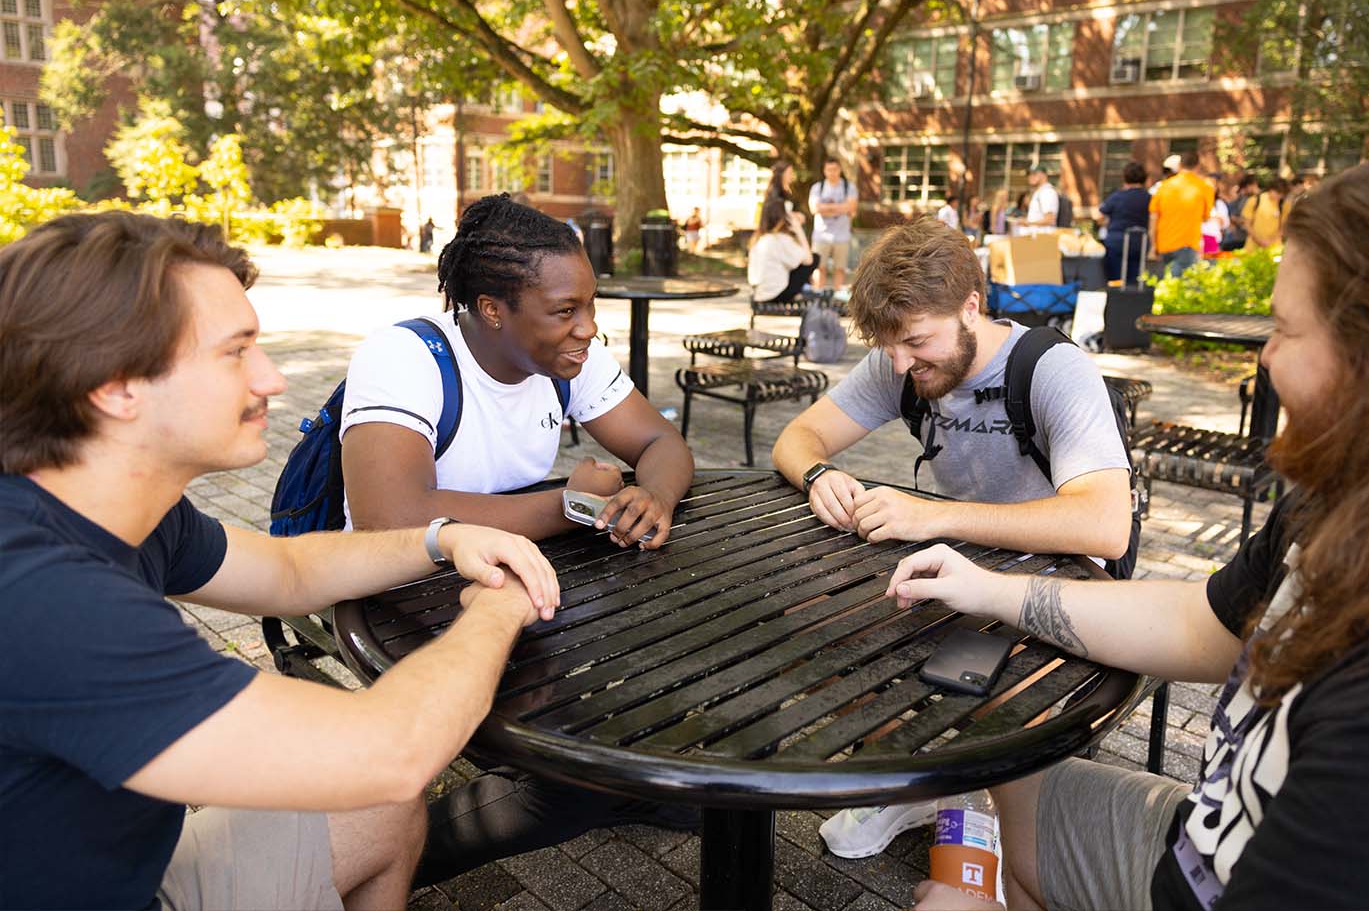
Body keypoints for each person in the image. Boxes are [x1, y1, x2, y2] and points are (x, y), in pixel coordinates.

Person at [899, 139, 1369, 911]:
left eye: (1284, 328)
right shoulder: (1358, 499)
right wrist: (990, 590)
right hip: (1204, 837)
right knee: (1004, 775)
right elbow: (1203, 622)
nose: (1265, 359)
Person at [0, 211, 559, 910]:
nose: (270, 379)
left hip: (136, 877)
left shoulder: (110, 504)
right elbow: (389, 751)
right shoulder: (41, 598)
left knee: (382, 811)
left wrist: (440, 539)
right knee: (382, 780)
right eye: (237, 352)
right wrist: (498, 608)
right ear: (115, 386)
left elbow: (286, 573)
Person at [770, 216, 1134, 858]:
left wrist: (933, 515)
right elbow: (797, 438)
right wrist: (819, 472)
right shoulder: (900, 359)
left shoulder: (1051, 369)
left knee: (997, 686)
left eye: (916, 342)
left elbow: (1105, 525)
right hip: (962, 565)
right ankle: (908, 780)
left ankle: (994, 817)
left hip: (1069, 580)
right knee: (825, 626)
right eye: (890, 347)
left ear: (972, 306)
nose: (901, 364)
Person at [341, 193, 692, 550]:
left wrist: (656, 499)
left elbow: (660, 442)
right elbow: (388, 521)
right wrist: (573, 505)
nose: (588, 328)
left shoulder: (574, 356)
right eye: (566, 311)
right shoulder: (404, 357)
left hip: (504, 577)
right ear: (492, 310)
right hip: (399, 589)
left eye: (590, 304)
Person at [1147, 151, 1213, 276]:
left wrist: (1153, 246)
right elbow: (1205, 218)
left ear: (1180, 165)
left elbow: (1154, 217)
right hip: (1187, 244)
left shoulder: (1163, 186)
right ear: (1198, 166)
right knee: (1181, 288)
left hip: (1163, 244)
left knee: (1164, 285)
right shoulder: (1204, 187)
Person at [748, 194, 818, 303]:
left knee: (799, 262)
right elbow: (809, 260)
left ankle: (804, 290)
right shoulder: (779, 239)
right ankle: (804, 291)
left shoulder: (759, 238)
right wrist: (799, 230)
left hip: (759, 293)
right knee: (815, 257)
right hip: (775, 295)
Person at [809, 158, 859, 294]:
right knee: (819, 267)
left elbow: (851, 207)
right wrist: (840, 208)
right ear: (824, 171)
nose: (832, 173)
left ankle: (838, 295)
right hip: (821, 236)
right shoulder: (817, 188)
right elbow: (814, 208)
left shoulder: (849, 187)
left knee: (840, 268)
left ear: (840, 170)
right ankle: (817, 295)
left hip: (842, 235)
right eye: (829, 170)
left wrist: (826, 209)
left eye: (835, 169)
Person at [1097, 162, 1150, 283]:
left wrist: (1107, 223)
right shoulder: (1149, 198)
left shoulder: (1117, 196)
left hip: (1117, 242)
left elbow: (1099, 216)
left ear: (1125, 177)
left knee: (1116, 278)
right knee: (1135, 278)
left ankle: (1116, 298)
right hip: (1140, 242)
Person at [1242, 177, 1288, 250]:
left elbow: (1283, 227)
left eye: (1282, 194)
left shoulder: (1284, 205)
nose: (1279, 196)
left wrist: (1271, 241)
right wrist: (1259, 240)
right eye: (1278, 193)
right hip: (1253, 246)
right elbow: (1247, 224)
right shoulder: (1255, 200)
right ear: (1271, 189)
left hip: (1274, 247)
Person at [1220, 173, 1257, 252]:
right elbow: (1232, 215)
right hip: (1238, 237)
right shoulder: (1244, 199)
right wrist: (1239, 221)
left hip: (1245, 237)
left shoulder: (1256, 198)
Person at [1200, 172, 1231, 258]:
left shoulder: (1219, 204)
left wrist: (1210, 218)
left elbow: (1224, 223)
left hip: (1213, 240)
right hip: (1198, 240)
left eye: (1213, 186)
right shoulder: (1197, 202)